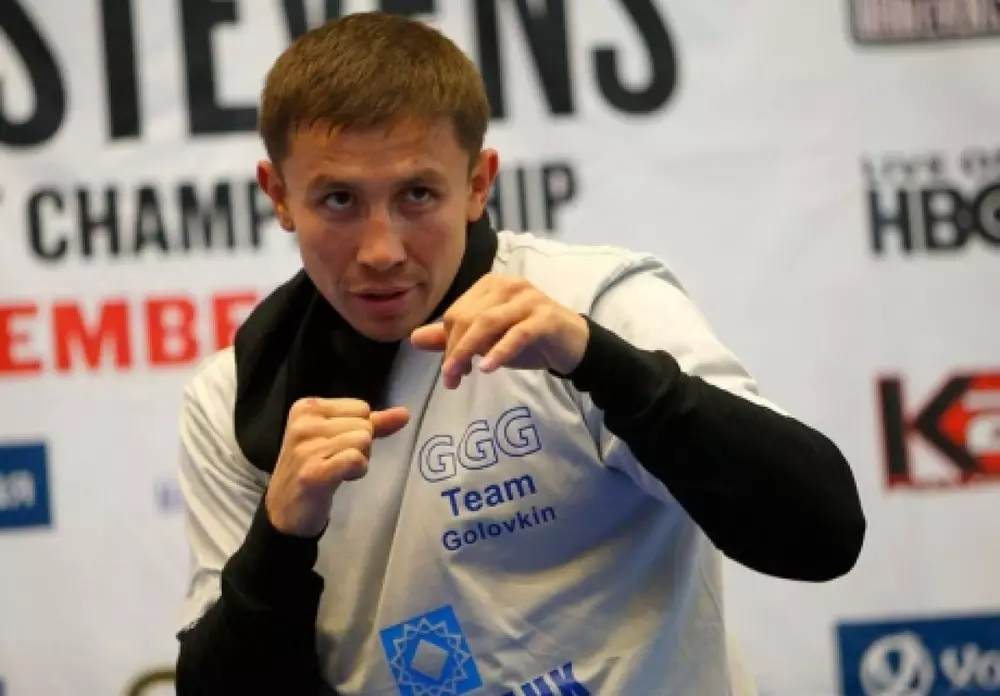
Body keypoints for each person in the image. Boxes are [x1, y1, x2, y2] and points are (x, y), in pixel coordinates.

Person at [173, 11, 866, 696]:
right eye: (338, 200)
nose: (381, 250)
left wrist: (597, 362)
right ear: (279, 196)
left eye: (417, 194)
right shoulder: (236, 397)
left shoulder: (594, 304)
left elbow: (823, 535)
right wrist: (281, 538)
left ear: (478, 183)